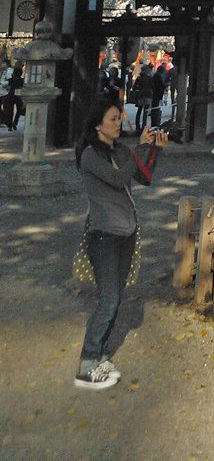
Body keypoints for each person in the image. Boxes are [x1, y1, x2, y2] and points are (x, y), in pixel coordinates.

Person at [73, 97, 167, 390]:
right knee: (109, 300)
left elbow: (144, 176)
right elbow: (116, 179)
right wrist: (140, 148)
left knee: (115, 299)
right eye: (113, 118)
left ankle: (101, 356)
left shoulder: (120, 150)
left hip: (126, 233)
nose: (119, 122)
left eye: (119, 117)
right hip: (104, 236)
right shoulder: (90, 155)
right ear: (98, 124)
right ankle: (87, 364)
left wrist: (154, 150)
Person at [131, 64, 154, 134]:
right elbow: (153, 86)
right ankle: (144, 125)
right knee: (146, 111)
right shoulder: (150, 78)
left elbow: (134, 87)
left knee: (139, 110)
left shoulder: (139, 78)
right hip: (148, 94)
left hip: (140, 95)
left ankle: (137, 126)